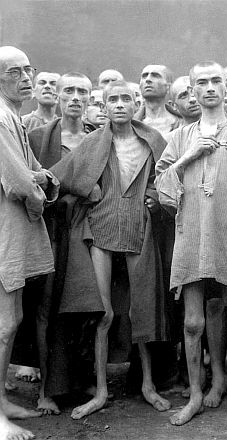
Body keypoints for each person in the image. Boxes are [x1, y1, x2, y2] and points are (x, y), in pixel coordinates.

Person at [51, 80, 170, 420]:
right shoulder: (93, 141)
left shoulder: (153, 140)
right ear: (103, 106)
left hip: (138, 228)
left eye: (125, 99)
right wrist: (87, 191)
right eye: (112, 99)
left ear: (136, 104)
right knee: (105, 314)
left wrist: (154, 194)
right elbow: (62, 177)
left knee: (141, 310)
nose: (119, 105)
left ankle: (147, 385)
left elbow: (169, 177)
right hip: (99, 229)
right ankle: (101, 391)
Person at [155, 61, 227, 427]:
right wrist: (191, 156)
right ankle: (197, 395)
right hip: (191, 235)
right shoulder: (180, 137)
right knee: (192, 322)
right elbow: (162, 188)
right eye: (201, 82)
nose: (211, 88)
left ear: (225, 87)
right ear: (192, 91)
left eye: (216, 80)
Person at [27, 72, 96, 416]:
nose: (74, 97)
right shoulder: (38, 136)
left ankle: (80, 379)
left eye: (82, 92)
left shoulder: (97, 139)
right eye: (68, 90)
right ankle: (45, 389)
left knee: (82, 307)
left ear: (89, 98)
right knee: (45, 308)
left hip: (84, 231)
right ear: (58, 95)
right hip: (47, 230)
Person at [0, 45, 59, 440]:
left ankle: (1, 401)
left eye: (27, 70)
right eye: (13, 72)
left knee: (13, 317)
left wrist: (42, 180)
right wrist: (39, 199)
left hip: (15, 226)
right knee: (4, 323)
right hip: (7, 226)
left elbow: (34, 170)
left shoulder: (13, 117)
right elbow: (20, 181)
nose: (24, 78)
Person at [135, 64, 181, 138]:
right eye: (144, 76)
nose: (148, 80)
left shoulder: (182, 122)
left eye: (155, 76)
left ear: (168, 86)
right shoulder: (129, 124)